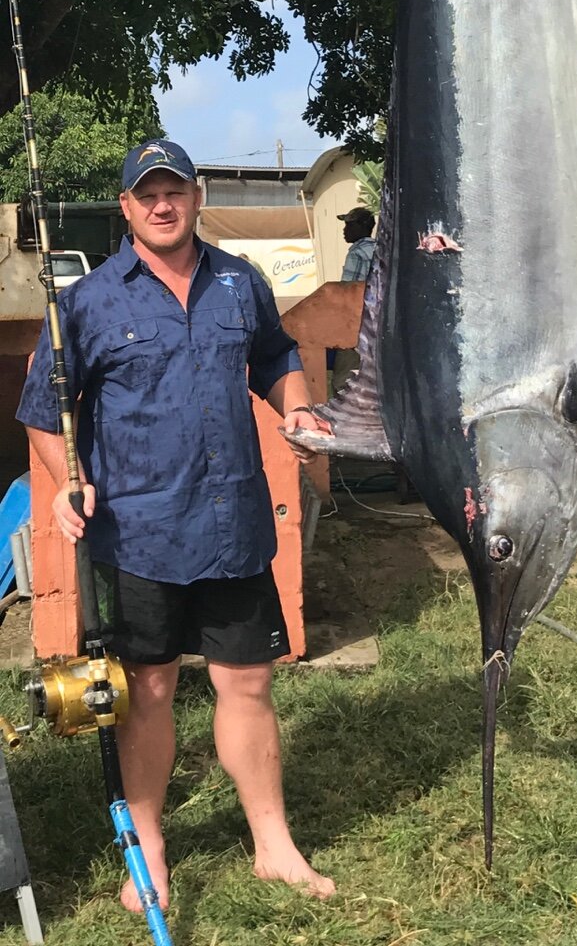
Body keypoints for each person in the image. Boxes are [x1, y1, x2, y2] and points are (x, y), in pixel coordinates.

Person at [17, 139, 335, 914]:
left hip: (234, 525)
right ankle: (148, 852)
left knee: (249, 683)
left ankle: (272, 842)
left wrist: (294, 403)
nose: (162, 205)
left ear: (195, 198)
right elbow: (42, 414)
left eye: (175, 191)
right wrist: (72, 482)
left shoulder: (239, 282)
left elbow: (275, 354)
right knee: (149, 690)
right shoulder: (86, 304)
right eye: (146, 194)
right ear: (126, 208)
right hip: (137, 532)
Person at [338, 207, 376, 283]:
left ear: (362, 226)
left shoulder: (357, 252)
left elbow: (348, 289)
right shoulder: (378, 248)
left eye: (348, 225)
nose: (344, 229)